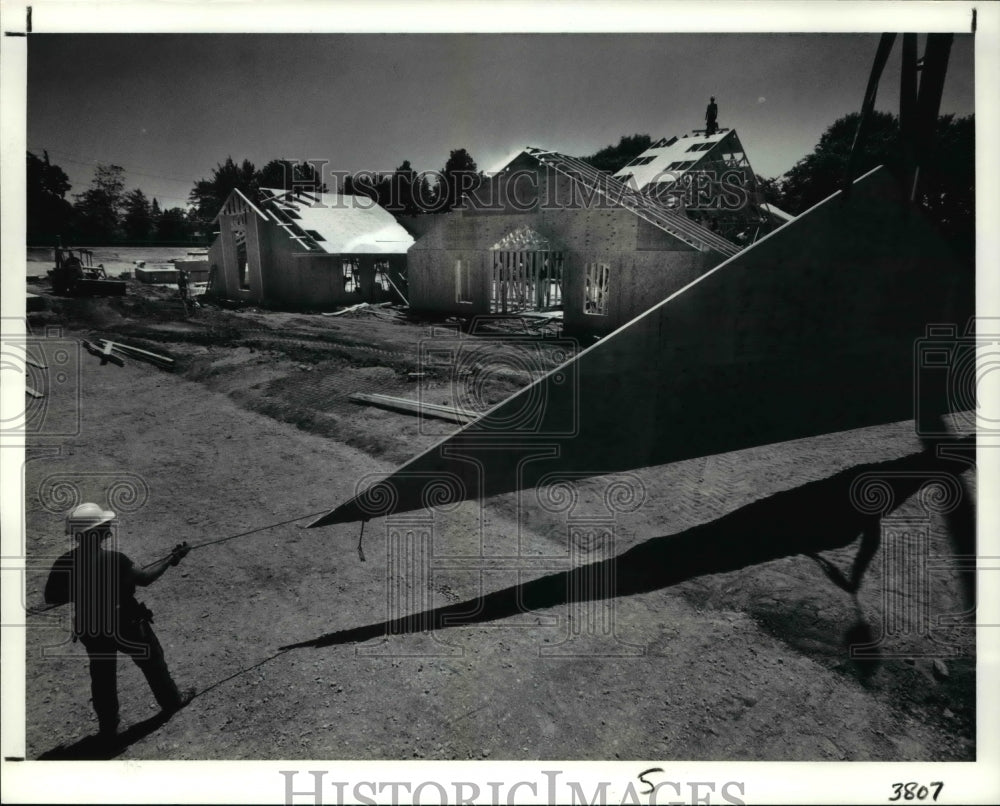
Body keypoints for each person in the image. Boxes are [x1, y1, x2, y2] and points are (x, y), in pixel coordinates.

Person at [44, 503, 194, 739]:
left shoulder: (65, 562)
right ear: (93, 533)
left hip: (91, 627)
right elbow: (144, 579)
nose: (109, 530)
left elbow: (51, 596)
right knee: (153, 662)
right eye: (105, 527)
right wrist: (171, 559)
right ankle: (171, 701)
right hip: (126, 623)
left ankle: (108, 727)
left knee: (102, 677)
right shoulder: (116, 559)